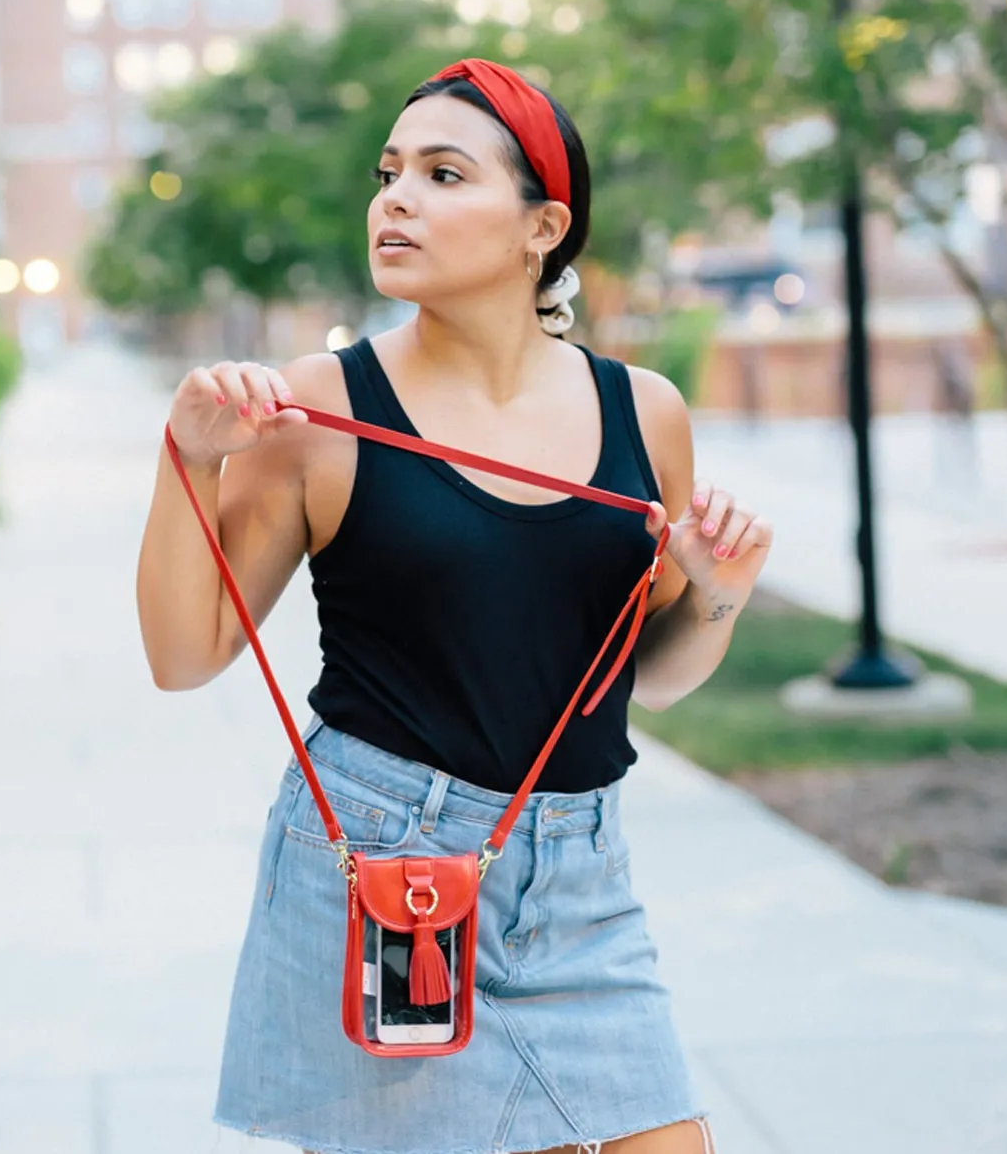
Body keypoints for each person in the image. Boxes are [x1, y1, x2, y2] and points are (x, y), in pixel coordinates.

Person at [136, 60, 771, 1154]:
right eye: (390, 174)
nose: (395, 198)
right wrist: (189, 460)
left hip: (579, 876)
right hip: (390, 875)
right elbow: (185, 655)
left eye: (442, 173)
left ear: (544, 226)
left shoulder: (645, 412)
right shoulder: (320, 405)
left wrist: (715, 599)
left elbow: (644, 682)